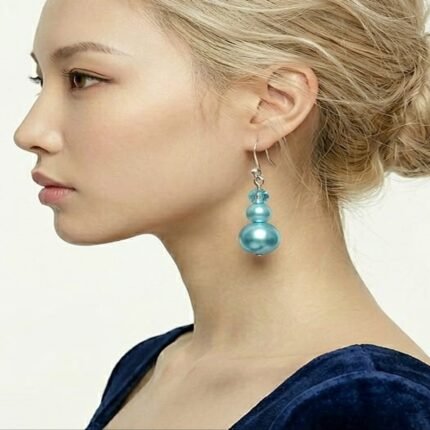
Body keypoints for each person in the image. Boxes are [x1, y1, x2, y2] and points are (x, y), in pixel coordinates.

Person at [14, 0, 430, 429]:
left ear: (271, 105)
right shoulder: (149, 369)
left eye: (83, 79)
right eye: (40, 80)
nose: (29, 132)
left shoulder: (370, 408)